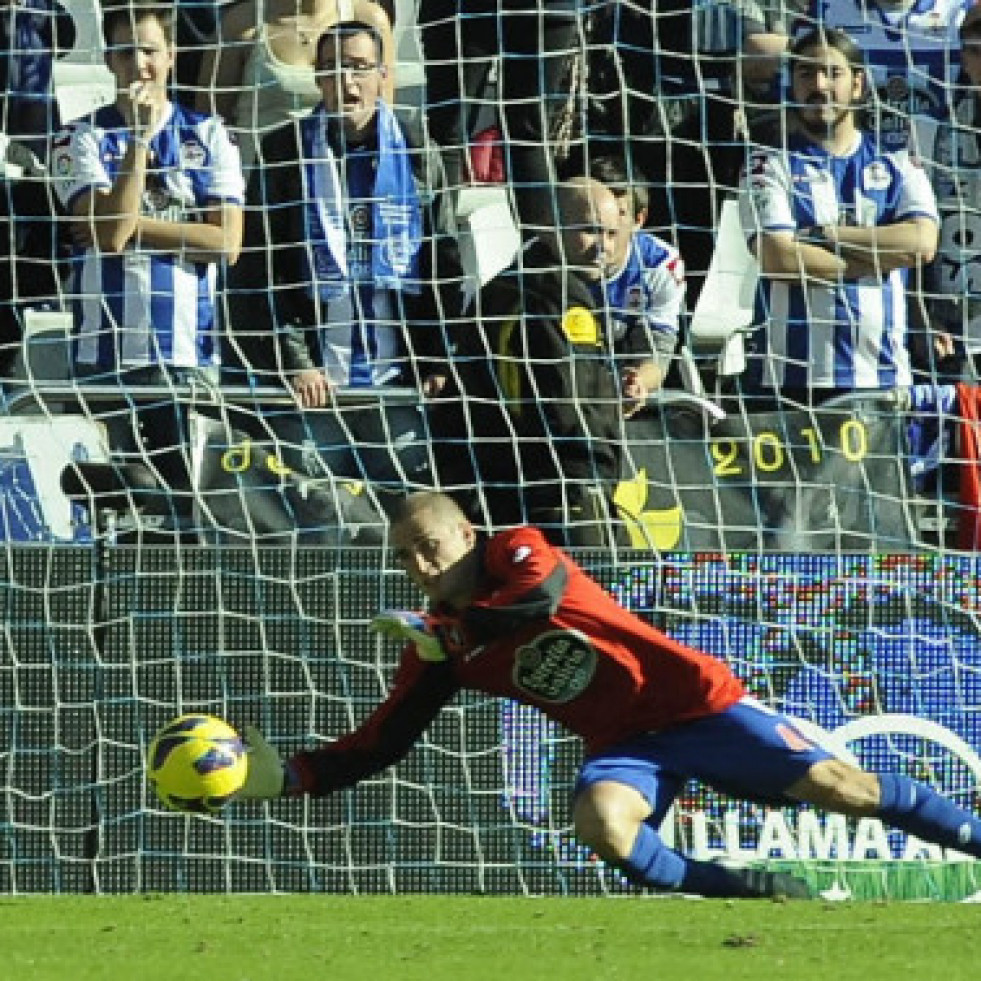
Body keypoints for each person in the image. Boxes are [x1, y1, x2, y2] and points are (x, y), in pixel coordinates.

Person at [236, 490, 981, 898]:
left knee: (840, 786)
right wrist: (292, 775)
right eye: (405, 557)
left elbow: (540, 595)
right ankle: (755, 892)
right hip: (624, 745)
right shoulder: (438, 646)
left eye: (430, 546)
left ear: (465, 533)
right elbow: (383, 739)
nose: (421, 566)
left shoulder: (513, 549)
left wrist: (456, 631)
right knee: (601, 824)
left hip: (698, 703)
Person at [228, 19, 453, 498]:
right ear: (316, 78)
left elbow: (444, 265)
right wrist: (295, 362)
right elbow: (257, 273)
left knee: (408, 508)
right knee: (316, 516)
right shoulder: (284, 152)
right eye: (331, 70)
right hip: (312, 388)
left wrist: (437, 359)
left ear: (382, 75)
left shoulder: (418, 152)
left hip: (397, 381)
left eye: (358, 69)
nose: (346, 84)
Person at [51, 0, 244, 528]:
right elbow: (112, 238)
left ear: (172, 56)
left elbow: (227, 243)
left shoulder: (209, 135)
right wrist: (137, 144)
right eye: (124, 50)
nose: (138, 63)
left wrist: (127, 220)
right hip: (105, 359)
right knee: (106, 518)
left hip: (186, 357)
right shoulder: (79, 137)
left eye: (150, 50)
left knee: (182, 515)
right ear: (109, 60)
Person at [736, 27, 939, 404]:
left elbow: (921, 244)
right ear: (792, 85)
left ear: (858, 84)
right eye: (805, 74)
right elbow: (778, 258)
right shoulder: (767, 165)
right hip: (790, 378)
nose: (819, 85)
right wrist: (878, 260)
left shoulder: (899, 163)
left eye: (833, 73)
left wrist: (826, 235)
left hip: (883, 375)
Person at [430, 176, 623, 545]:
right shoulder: (562, 299)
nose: (604, 247)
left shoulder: (497, 290)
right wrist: (591, 484)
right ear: (550, 226)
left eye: (612, 234)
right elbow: (572, 407)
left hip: (488, 492)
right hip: (556, 495)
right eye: (589, 230)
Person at [195, 0, 395, 178]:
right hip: (265, 188)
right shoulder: (240, 23)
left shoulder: (369, 18)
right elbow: (208, 126)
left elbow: (385, 118)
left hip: (352, 182)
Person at [911, 3, 981, 378]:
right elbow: (911, 232)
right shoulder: (928, 134)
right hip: (952, 337)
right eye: (976, 48)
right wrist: (919, 314)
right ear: (963, 58)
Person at [587, 155, 685, 410]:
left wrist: (638, 382)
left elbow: (658, 350)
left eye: (619, 213)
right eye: (596, 213)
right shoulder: (544, 257)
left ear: (639, 219)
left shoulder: (660, 264)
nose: (607, 224)